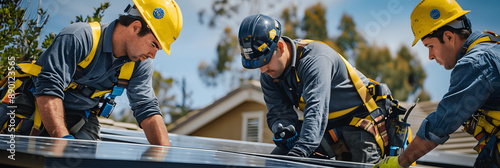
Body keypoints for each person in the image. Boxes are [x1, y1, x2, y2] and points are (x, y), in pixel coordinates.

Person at [0, 0, 182, 146]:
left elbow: (147, 109)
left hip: (79, 116)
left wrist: (165, 156)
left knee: (84, 155)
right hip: (35, 105)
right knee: (17, 153)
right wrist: (63, 142)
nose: (153, 55)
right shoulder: (79, 37)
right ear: (135, 27)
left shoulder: (139, 63)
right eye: (153, 45)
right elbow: (49, 89)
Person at [237, 14, 405, 163]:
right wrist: (283, 128)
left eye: (265, 62)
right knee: (275, 164)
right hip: (327, 128)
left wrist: (300, 152)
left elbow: (316, 111)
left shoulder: (315, 60)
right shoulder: (269, 75)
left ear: (280, 47)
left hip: (360, 121)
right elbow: (279, 113)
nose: (262, 70)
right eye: (257, 65)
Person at [374, 0, 500, 167]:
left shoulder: (475, 63)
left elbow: (442, 122)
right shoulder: (491, 50)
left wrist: (400, 162)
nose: (430, 56)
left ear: (449, 37)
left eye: (430, 46)